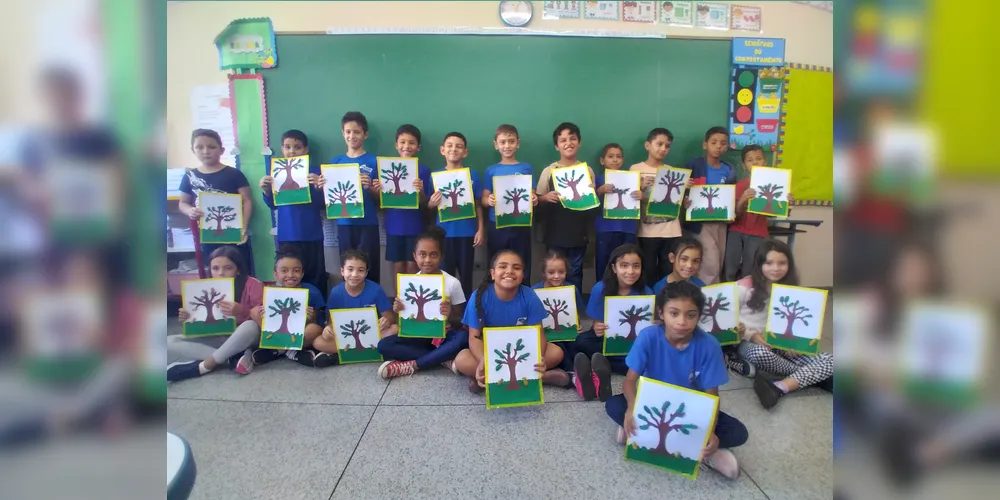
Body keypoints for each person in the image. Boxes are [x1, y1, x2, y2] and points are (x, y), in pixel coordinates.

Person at [605, 280, 748, 479]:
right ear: (661, 314)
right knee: (613, 404)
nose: (682, 322)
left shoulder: (709, 345)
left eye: (691, 315)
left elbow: (712, 397)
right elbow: (629, 381)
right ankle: (641, 430)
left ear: (699, 316)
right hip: (653, 406)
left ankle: (703, 450)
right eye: (674, 313)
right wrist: (631, 408)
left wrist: (710, 431)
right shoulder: (648, 337)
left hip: (690, 409)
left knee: (739, 433)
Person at [454, 250, 570, 393]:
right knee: (461, 359)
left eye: (516, 268)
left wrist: (537, 356)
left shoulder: (529, 296)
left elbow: (538, 334)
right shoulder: (478, 296)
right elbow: (474, 336)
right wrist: (483, 359)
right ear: (492, 273)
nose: (509, 271)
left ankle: (490, 380)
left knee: (556, 352)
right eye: (503, 266)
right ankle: (539, 377)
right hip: (490, 352)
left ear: (522, 276)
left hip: (521, 352)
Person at [736, 239, 833, 409]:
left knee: (831, 360)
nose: (776, 268)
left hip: (778, 344)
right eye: (769, 263)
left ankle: (781, 386)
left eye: (782, 263)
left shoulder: (790, 289)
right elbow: (728, 321)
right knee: (761, 354)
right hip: (747, 343)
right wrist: (750, 335)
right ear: (759, 264)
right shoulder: (743, 287)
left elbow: (797, 326)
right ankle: (817, 376)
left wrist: (794, 344)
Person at [377, 226, 469, 378]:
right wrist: (399, 309)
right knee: (384, 345)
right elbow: (406, 322)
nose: (427, 260)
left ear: (441, 256)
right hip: (418, 336)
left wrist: (450, 314)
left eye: (433, 255)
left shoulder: (452, 282)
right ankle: (442, 359)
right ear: (415, 256)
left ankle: (413, 365)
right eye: (422, 254)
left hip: (443, 336)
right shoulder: (409, 283)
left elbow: (461, 322)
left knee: (462, 338)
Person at [167, 246, 264, 382]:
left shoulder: (253, 285)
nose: (221, 273)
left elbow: (262, 321)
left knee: (250, 326)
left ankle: (207, 364)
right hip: (220, 336)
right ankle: (231, 357)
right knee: (169, 341)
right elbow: (200, 322)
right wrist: (188, 318)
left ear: (238, 270)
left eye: (228, 268)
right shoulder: (206, 287)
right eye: (215, 268)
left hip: (245, 336)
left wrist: (242, 310)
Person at [573, 244, 654, 401]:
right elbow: (596, 324)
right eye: (624, 266)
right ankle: (612, 365)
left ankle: (604, 365)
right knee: (582, 340)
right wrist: (598, 327)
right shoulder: (600, 289)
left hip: (635, 343)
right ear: (614, 268)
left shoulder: (646, 292)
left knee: (645, 355)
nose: (630, 272)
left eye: (636, 266)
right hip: (608, 339)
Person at [177, 129, 254, 274]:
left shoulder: (234, 174)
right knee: (216, 271)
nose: (206, 151)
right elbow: (183, 203)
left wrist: (244, 227)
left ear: (222, 150)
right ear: (193, 150)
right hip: (208, 235)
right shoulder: (189, 176)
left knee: (240, 270)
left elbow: (247, 201)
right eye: (200, 147)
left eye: (211, 147)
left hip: (235, 234)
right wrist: (190, 211)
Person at [259, 130, 327, 295]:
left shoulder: (315, 172)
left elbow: (323, 204)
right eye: (287, 147)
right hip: (287, 235)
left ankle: (317, 312)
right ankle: (293, 313)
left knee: (315, 276)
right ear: (282, 149)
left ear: (306, 149)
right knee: (289, 277)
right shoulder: (276, 172)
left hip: (311, 235)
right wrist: (266, 190)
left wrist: (319, 187)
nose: (292, 151)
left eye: (297, 147)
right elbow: (273, 205)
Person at [535, 122, 597, 294]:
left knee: (575, 271)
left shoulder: (587, 170)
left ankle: (574, 310)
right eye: (563, 140)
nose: (568, 143)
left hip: (579, 233)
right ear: (557, 146)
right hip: (555, 232)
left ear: (579, 142)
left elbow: (592, 205)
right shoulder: (549, 171)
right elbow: (537, 199)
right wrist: (546, 197)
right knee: (553, 272)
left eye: (573, 139)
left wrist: (593, 193)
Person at [324, 111, 382, 286]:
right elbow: (328, 197)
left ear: (365, 134)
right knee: (348, 268)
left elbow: (381, 201)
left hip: (368, 223)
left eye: (356, 132)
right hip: (344, 224)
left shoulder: (375, 161)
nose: (352, 136)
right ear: (343, 133)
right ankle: (349, 308)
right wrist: (322, 185)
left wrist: (372, 188)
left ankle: (372, 307)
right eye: (348, 132)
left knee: (370, 267)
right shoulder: (335, 162)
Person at [249, 245, 330, 368]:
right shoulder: (272, 292)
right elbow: (267, 316)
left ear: (302, 274)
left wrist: (311, 317)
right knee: (255, 311)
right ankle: (289, 351)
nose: (290, 275)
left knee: (313, 329)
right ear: (275, 274)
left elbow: (319, 322)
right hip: (278, 330)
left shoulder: (312, 291)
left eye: (296, 270)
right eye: (284, 271)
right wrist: (264, 312)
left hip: (301, 332)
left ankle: (279, 350)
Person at [631, 128, 692, 288]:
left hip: (672, 230)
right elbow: (629, 199)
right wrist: (641, 188)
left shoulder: (672, 171)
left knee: (668, 270)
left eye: (667, 146)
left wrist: (684, 198)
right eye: (659, 144)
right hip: (647, 231)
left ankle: (667, 303)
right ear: (647, 145)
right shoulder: (635, 169)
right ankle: (651, 302)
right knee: (648, 270)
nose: (663, 149)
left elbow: (674, 200)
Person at [724, 144, 795, 281]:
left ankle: (748, 298)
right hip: (736, 231)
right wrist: (743, 199)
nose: (755, 162)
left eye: (759, 158)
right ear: (744, 166)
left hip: (758, 233)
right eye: (750, 160)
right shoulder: (740, 185)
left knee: (750, 270)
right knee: (730, 268)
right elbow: (734, 215)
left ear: (765, 162)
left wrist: (786, 204)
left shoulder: (775, 185)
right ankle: (730, 296)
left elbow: (776, 213)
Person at [427, 132, 485, 297]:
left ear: (465, 152)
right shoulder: (435, 176)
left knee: (466, 276)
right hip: (443, 234)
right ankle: (448, 316)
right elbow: (429, 206)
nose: (454, 149)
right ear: (442, 150)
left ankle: (466, 317)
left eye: (459, 146)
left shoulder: (472, 175)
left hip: (467, 233)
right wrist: (431, 203)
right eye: (450, 146)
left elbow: (479, 204)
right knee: (445, 277)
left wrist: (480, 229)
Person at [372, 124, 432, 279]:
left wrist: (421, 192)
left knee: (413, 264)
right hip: (394, 224)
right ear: (396, 145)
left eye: (411, 143)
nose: (407, 146)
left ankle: (411, 300)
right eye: (403, 142)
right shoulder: (386, 168)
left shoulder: (424, 170)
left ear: (418, 147)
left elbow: (426, 202)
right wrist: (377, 191)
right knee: (398, 264)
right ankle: (399, 299)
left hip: (415, 225)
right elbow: (379, 200)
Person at [318, 250, 399, 361]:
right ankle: (370, 351)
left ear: (366, 273)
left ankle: (341, 354)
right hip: (346, 336)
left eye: (360, 270)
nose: (355, 275)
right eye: (350, 269)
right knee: (318, 341)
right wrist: (329, 329)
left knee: (395, 329)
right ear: (342, 271)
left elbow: (390, 317)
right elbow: (331, 321)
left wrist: (386, 321)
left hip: (371, 333)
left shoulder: (376, 290)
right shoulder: (336, 292)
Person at [482, 124, 538, 283]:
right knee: (496, 260)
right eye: (503, 142)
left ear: (518, 143)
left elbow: (532, 194)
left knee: (522, 259)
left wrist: (534, 199)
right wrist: (489, 200)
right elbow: (484, 199)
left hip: (521, 223)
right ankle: (494, 291)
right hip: (497, 224)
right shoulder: (491, 170)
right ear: (496, 145)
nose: (507, 146)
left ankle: (523, 292)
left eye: (511, 141)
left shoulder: (526, 168)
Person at [683, 126, 737, 285]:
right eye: (714, 142)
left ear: (727, 147)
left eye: (723, 143)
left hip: (720, 222)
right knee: (709, 261)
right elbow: (681, 190)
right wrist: (684, 199)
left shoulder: (729, 169)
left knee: (718, 260)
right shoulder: (693, 165)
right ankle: (704, 294)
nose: (718, 146)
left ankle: (712, 295)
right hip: (699, 223)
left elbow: (732, 194)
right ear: (705, 144)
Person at [532, 249, 586, 375]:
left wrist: (578, 326)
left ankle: (577, 367)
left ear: (566, 272)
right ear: (544, 273)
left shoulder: (572, 290)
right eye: (551, 272)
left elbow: (574, 314)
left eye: (561, 272)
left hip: (567, 334)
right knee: (558, 346)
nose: (556, 276)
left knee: (579, 343)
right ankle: (571, 372)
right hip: (544, 336)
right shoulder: (534, 292)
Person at [593, 143, 640, 282]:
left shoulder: (632, 179)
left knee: (627, 262)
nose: (615, 160)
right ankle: (603, 292)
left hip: (628, 229)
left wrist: (640, 195)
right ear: (602, 161)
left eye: (618, 157)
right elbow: (589, 202)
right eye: (610, 156)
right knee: (604, 263)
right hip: (605, 229)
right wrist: (599, 191)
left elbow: (638, 198)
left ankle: (624, 293)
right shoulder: (597, 179)